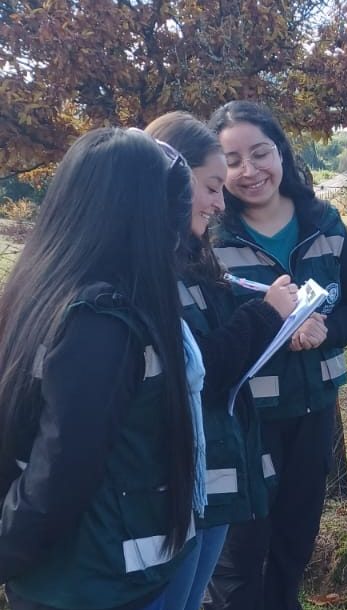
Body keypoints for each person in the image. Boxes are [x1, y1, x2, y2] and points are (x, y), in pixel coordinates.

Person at [0, 128, 198, 609]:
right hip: (90, 579)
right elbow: (62, 470)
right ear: (141, 217)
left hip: (90, 570)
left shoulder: (48, 291)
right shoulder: (99, 322)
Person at [207, 101, 347, 610]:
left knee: (294, 542)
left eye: (260, 153)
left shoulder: (325, 224)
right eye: (232, 161)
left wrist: (326, 331)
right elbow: (208, 338)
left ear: (281, 153)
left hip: (313, 408)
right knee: (241, 551)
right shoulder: (211, 239)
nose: (249, 170)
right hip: (246, 419)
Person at [145, 112, 300, 610]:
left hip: (216, 471)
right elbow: (199, 367)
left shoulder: (194, 255)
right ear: (171, 178)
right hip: (178, 481)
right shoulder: (150, 271)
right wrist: (266, 315)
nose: (219, 200)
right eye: (213, 184)